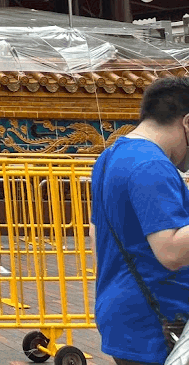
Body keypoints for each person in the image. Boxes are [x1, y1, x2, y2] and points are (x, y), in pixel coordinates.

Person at [93, 76, 189, 365]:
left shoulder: (111, 156)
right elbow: (171, 252)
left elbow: (95, 231)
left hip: (127, 314)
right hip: (158, 323)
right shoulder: (152, 165)